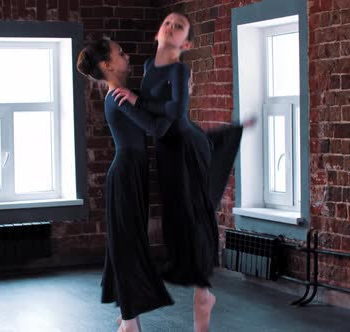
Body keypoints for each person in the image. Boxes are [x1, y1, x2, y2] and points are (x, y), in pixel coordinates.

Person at [112, 12, 249, 332]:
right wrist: (139, 102)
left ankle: (204, 294)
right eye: (167, 23)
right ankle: (136, 307)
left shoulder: (180, 69)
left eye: (179, 27)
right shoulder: (148, 67)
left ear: (185, 43)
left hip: (186, 147)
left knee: (195, 213)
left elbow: (172, 115)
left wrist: (133, 100)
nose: (171, 27)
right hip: (168, 151)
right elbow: (154, 115)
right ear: (157, 35)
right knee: (177, 222)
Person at [76, 37, 174, 332]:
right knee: (127, 245)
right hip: (125, 175)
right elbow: (157, 127)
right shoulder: (118, 96)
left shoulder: (125, 93)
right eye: (121, 53)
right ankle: (130, 319)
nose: (127, 55)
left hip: (134, 172)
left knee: (126, 242)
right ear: (107, 65)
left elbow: (153, 103)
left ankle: (125, 308)